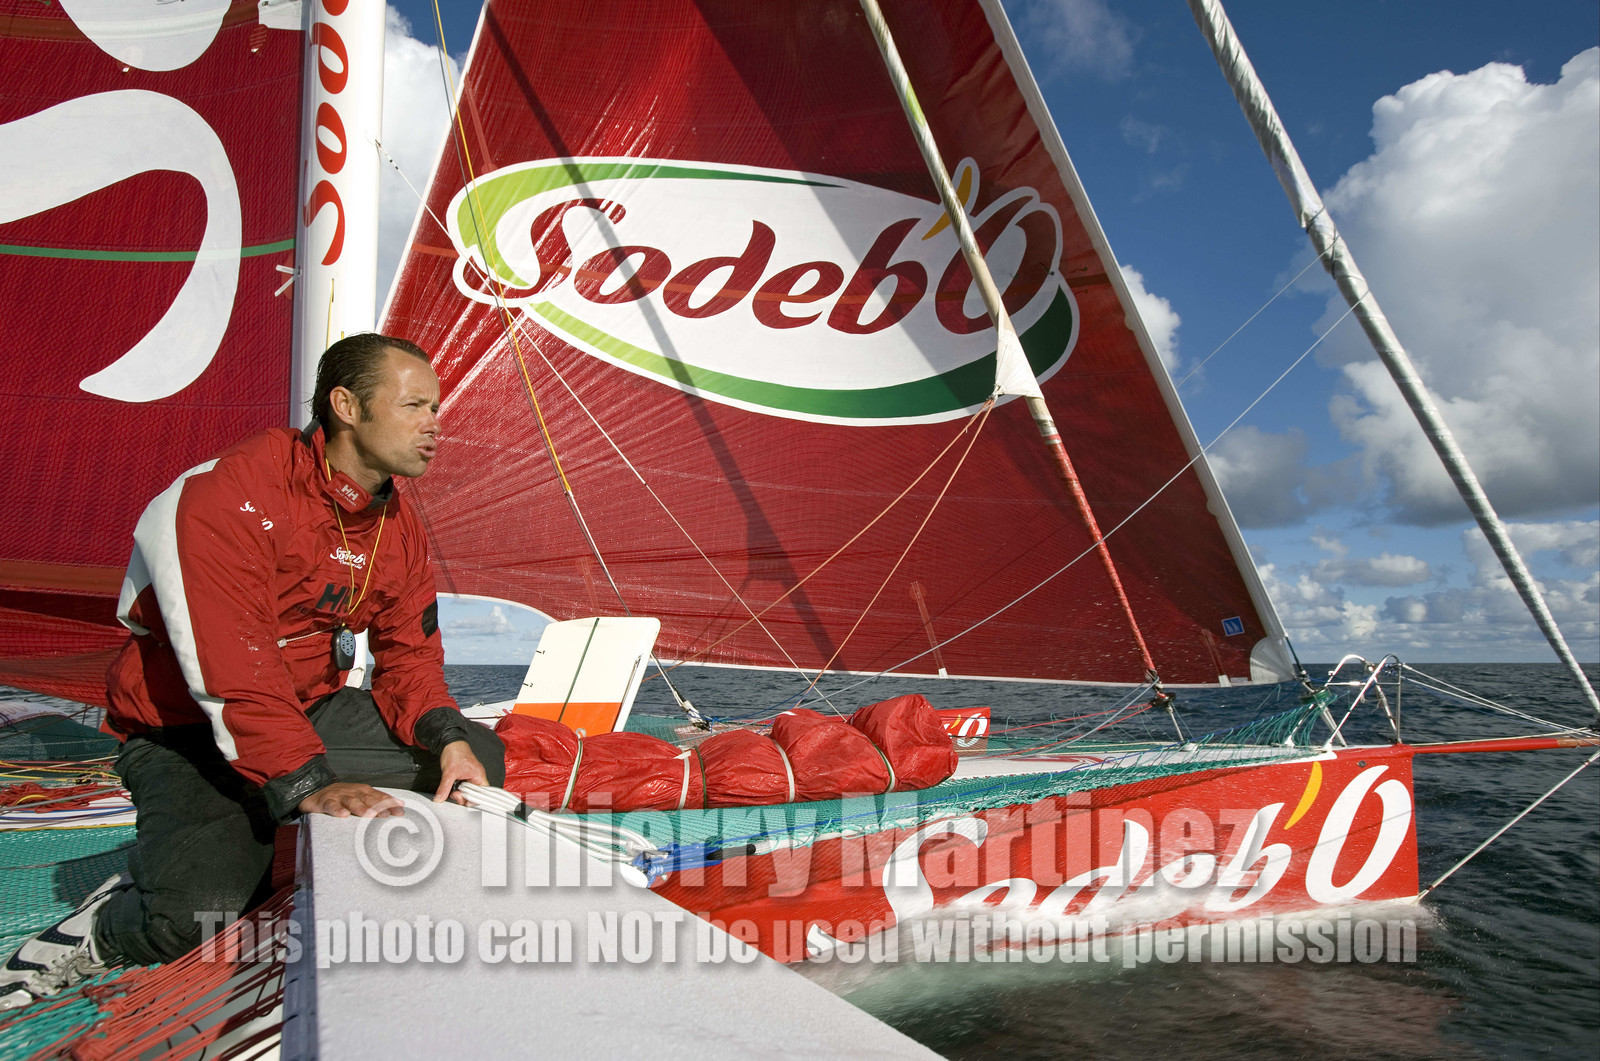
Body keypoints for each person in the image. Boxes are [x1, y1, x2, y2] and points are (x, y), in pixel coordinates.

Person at [1, 333, 505, 1009]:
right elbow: (232, 666)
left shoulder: (394, 523)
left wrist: (446, 736)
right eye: (416, 404)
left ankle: (264, 826)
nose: (435, 423)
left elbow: (408, 655)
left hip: (305, 714)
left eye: (436, 406)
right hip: (186, 734)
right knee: (193, 916)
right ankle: (104, 923)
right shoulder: (223, 496)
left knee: (476, 758)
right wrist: (308, 783)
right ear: (347, 405)